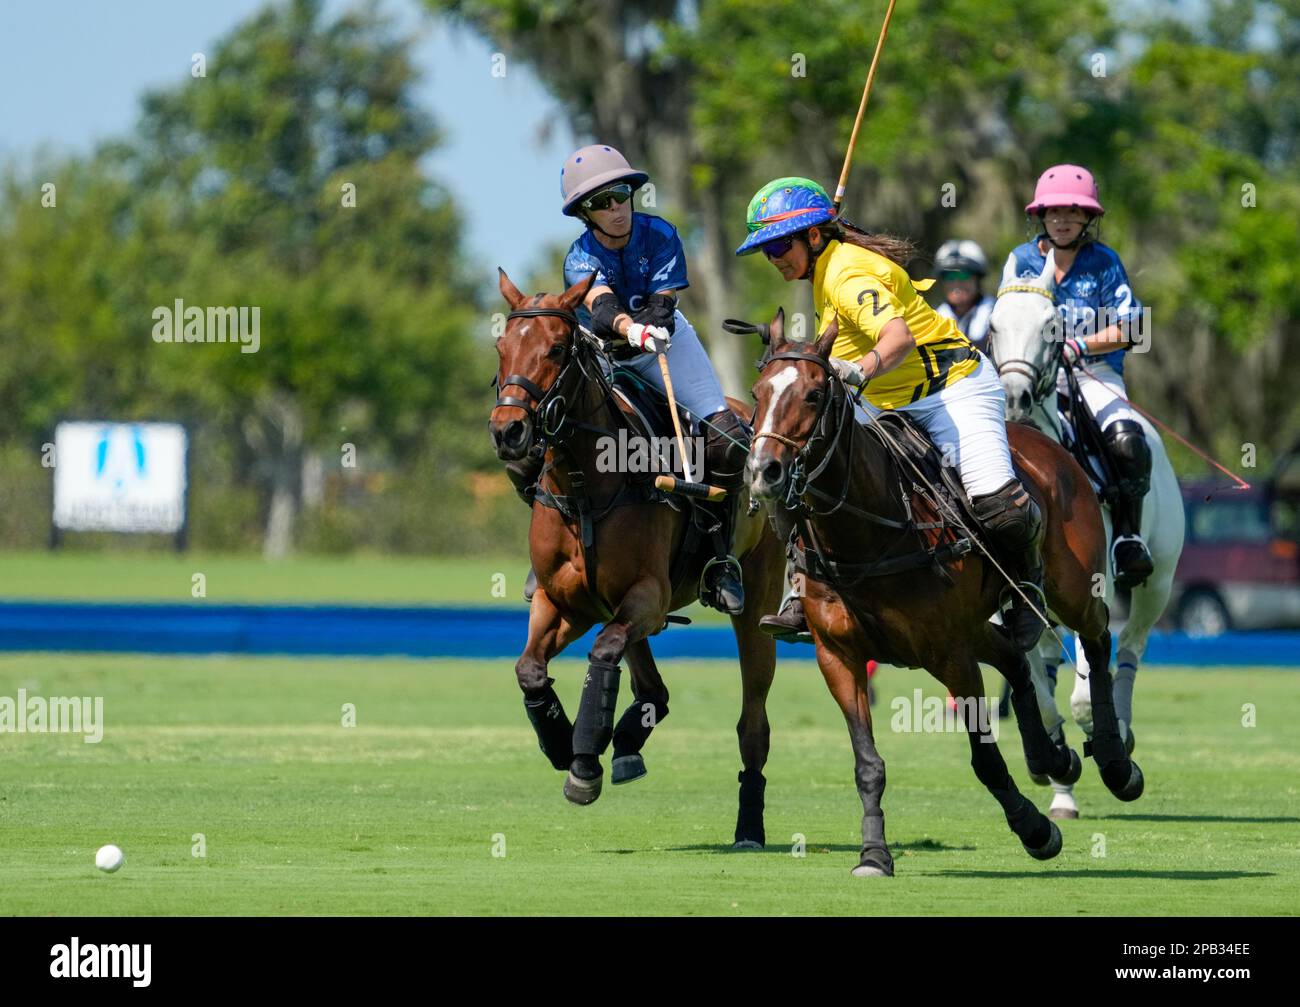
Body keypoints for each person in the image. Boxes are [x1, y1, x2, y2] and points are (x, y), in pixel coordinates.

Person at [737, 177, 1045, 650]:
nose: (774, 258)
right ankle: (802, 588)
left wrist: (857, 371)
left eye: (779, 244)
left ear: (814, 236)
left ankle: (1026, 590)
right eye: (766, 250)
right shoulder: (824, 271)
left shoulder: (846, 275)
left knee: (998, 506)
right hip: (887, 396)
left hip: (951, 388)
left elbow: (897, 339)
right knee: (804, 468)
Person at [506, 144, 749, 615]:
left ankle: (719, 561)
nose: (615, 209)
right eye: (600, 203)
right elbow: (599, 305)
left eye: (619, 196)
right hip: (604, 352)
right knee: (541, 439)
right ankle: (549, 552)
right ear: (585, 213)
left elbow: (664, 299)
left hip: (667, 344)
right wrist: (629, 329)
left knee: (727, 440)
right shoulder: (580, 254)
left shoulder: (660, 234)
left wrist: (652, 326)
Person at [1005, 164, 1153, 589]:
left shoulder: (1103, 262)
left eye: (1073, 212)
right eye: (1054, 213)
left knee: (1126, 437)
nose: (1063, 220)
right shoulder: (1021, 260)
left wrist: (1080, 344)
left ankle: (1127, 536)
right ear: (1041, 216)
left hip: (1092, 372)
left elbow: (1131, 327)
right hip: (1031, 375)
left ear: (1088, 218)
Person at [934, 239, 995, 351]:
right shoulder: (933, 320)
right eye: (949, 276)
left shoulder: (996, 315)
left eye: (963, 275)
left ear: (977, 278)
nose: (956, 283)